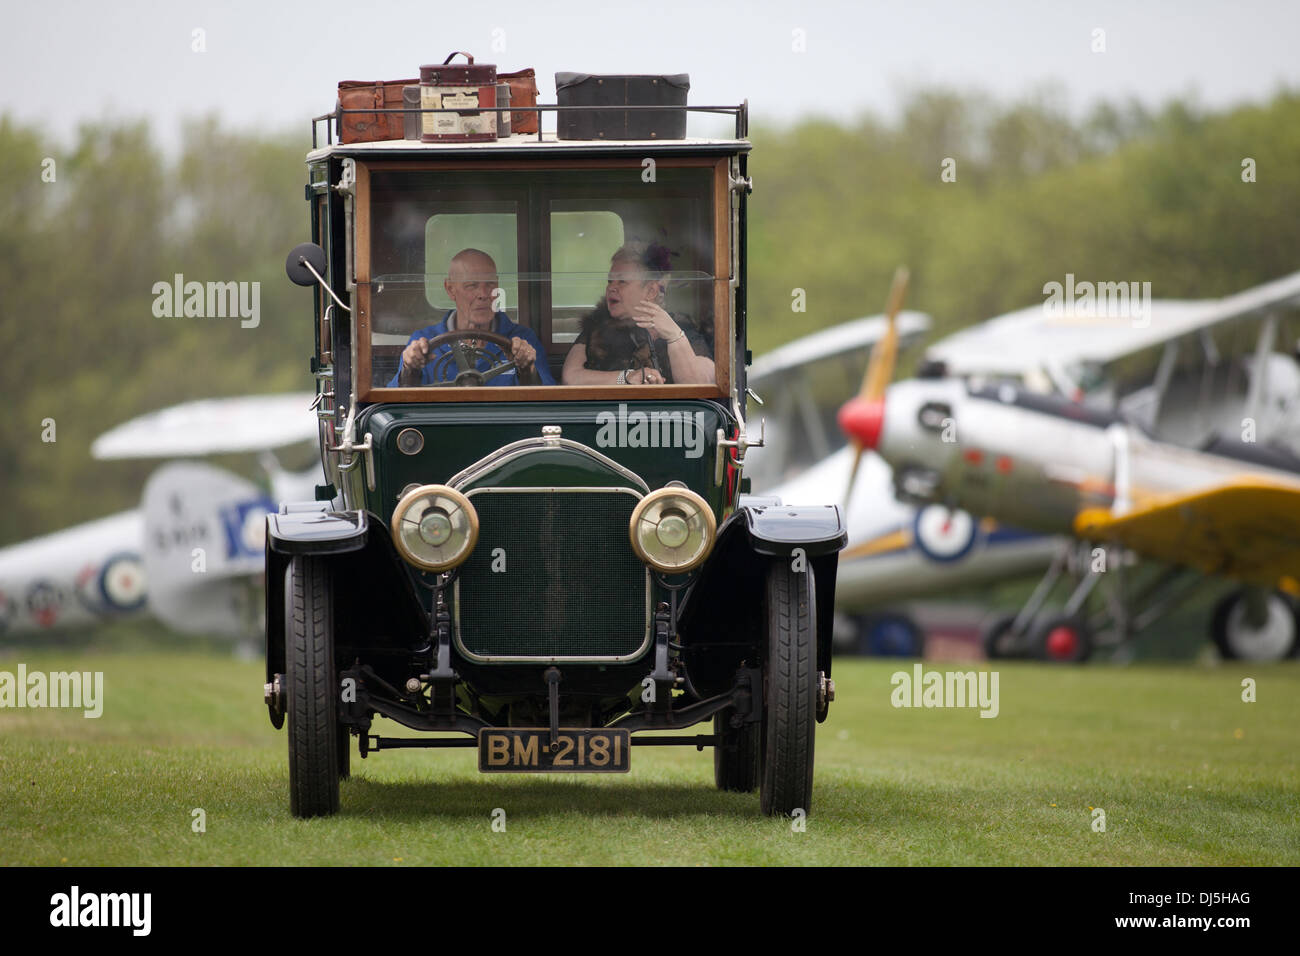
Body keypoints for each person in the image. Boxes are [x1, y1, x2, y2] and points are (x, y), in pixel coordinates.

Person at [389, 248, 556, 386]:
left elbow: (547, 399)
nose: (483, 294)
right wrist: (410, 367)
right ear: (450, 289)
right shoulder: (424, 341)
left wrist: (527, 368)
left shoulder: (522, 339)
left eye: (490, 284)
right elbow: (397, 404)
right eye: (471, 286)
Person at [561, 242, 714, 385]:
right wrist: (625, 378)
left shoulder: (681, 327)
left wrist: (674, 337)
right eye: (610, 281)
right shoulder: (596, 326)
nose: (611, 288)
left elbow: (699, 384)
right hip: (608, 413)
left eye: (622, 281)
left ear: (651, 291)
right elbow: (571, 377)